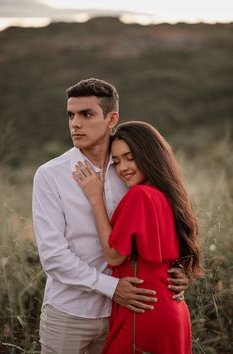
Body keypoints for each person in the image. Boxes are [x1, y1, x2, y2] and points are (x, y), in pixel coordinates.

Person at [32, 78, 189, 354]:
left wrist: (178, 271)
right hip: (69, 313)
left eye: (86, 114)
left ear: (111, 118)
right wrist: (112, 287)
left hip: (126, 313)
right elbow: (53, 257)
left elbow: (161, 223)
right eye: (71, 115)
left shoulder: (130, 172)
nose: (75, 124)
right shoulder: (50, 175)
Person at [74, 121, 202, 354]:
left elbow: (113, 257)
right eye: (116, 161)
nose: (122, 168)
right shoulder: (169, 194)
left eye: (130, 157)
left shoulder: (139, 195)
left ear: (148, 155)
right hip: (172, 307)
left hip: (143, 306)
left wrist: (95, 199)